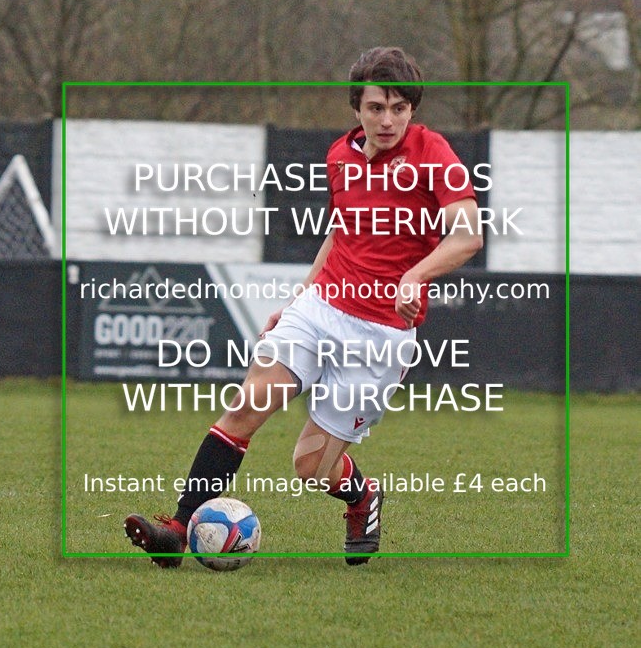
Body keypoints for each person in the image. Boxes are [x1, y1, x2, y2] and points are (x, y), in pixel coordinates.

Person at [125, 46, 482, 567]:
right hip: (321, 307)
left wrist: (416, 274)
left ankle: (361, 497)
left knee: (311, 467)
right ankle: (177, 530)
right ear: (357, 107)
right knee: (249, 402)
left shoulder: (432, 152)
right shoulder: (339, 156)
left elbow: (468, 234)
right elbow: (339, 234)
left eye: (400, 108)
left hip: (381, 333)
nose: (388, 119)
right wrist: (296, 299)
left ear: (412, 110)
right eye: (377, 107)